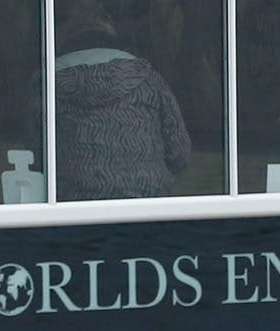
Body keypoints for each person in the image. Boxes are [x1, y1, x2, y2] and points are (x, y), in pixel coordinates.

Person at [53, 13, 192, 200]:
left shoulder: (46, 86)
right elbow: (179, 151)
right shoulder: (149, 79)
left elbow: (35, 153)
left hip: (75, 204)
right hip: (145, 199)